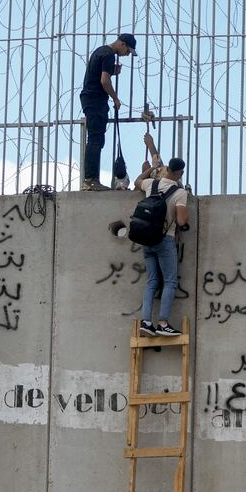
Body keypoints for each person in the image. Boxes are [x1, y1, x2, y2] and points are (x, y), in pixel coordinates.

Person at [132, 131, 190, 338]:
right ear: (180, 173)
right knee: (170, 281)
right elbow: (182, 220)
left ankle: (146, 322)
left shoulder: (151, 184)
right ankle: (164, 323)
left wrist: (152, 170)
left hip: (146, 238)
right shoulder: (180, 192)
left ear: (165, 170)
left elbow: (137, 181)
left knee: (152, 282)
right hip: (165, 239)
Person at [79, 33, 136, 191]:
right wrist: (116, 98)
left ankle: (91, 180)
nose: (127, 54)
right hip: (95, 101)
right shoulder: (109, 54)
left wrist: (111, 71)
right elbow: (104, 81)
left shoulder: (101, 51)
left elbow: (100, 75)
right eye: (128, 50)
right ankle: (90, 180)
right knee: (96, 140)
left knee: (96, 139)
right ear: (122, 44)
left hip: (91, 99)